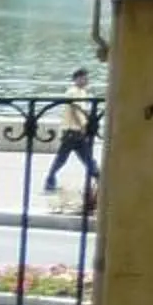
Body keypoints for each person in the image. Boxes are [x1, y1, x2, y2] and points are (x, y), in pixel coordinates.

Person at [44, 64, 100, 206]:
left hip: (75, 132)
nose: (86, 80)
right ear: (77, 79)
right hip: (72, 131)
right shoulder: (74, 92)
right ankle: (50, 181)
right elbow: (76, 110)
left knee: (84, 158)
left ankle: (99, 178)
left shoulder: (81, 92)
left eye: (86, 78)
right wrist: (84, 125)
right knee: (67, 158)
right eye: (84, 78)